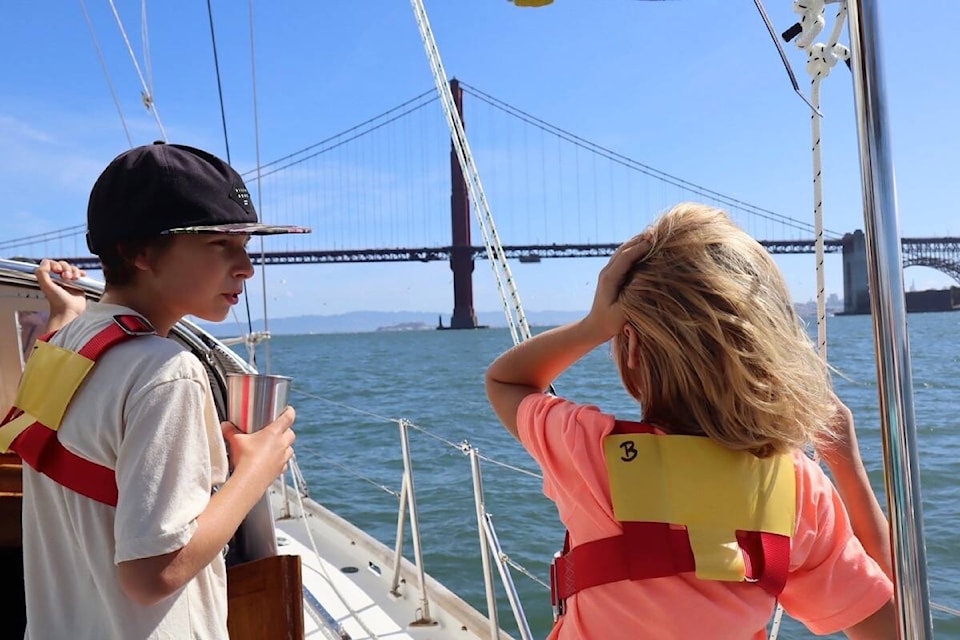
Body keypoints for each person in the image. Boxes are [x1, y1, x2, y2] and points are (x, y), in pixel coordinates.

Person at [485, 202, 895, 640]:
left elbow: (506, 381)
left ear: (633, 348)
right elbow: (889, 621)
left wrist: (594, 324)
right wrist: (846, 465)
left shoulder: (591, 453)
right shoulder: (797, 488)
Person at [0, 141, 309, 639]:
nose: (247, 267)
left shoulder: (60, 347)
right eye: (220, 245)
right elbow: (152, 575)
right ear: (139, 252)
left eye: (245, 246)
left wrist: (64, 312)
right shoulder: (168, 373)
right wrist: (255, 469)